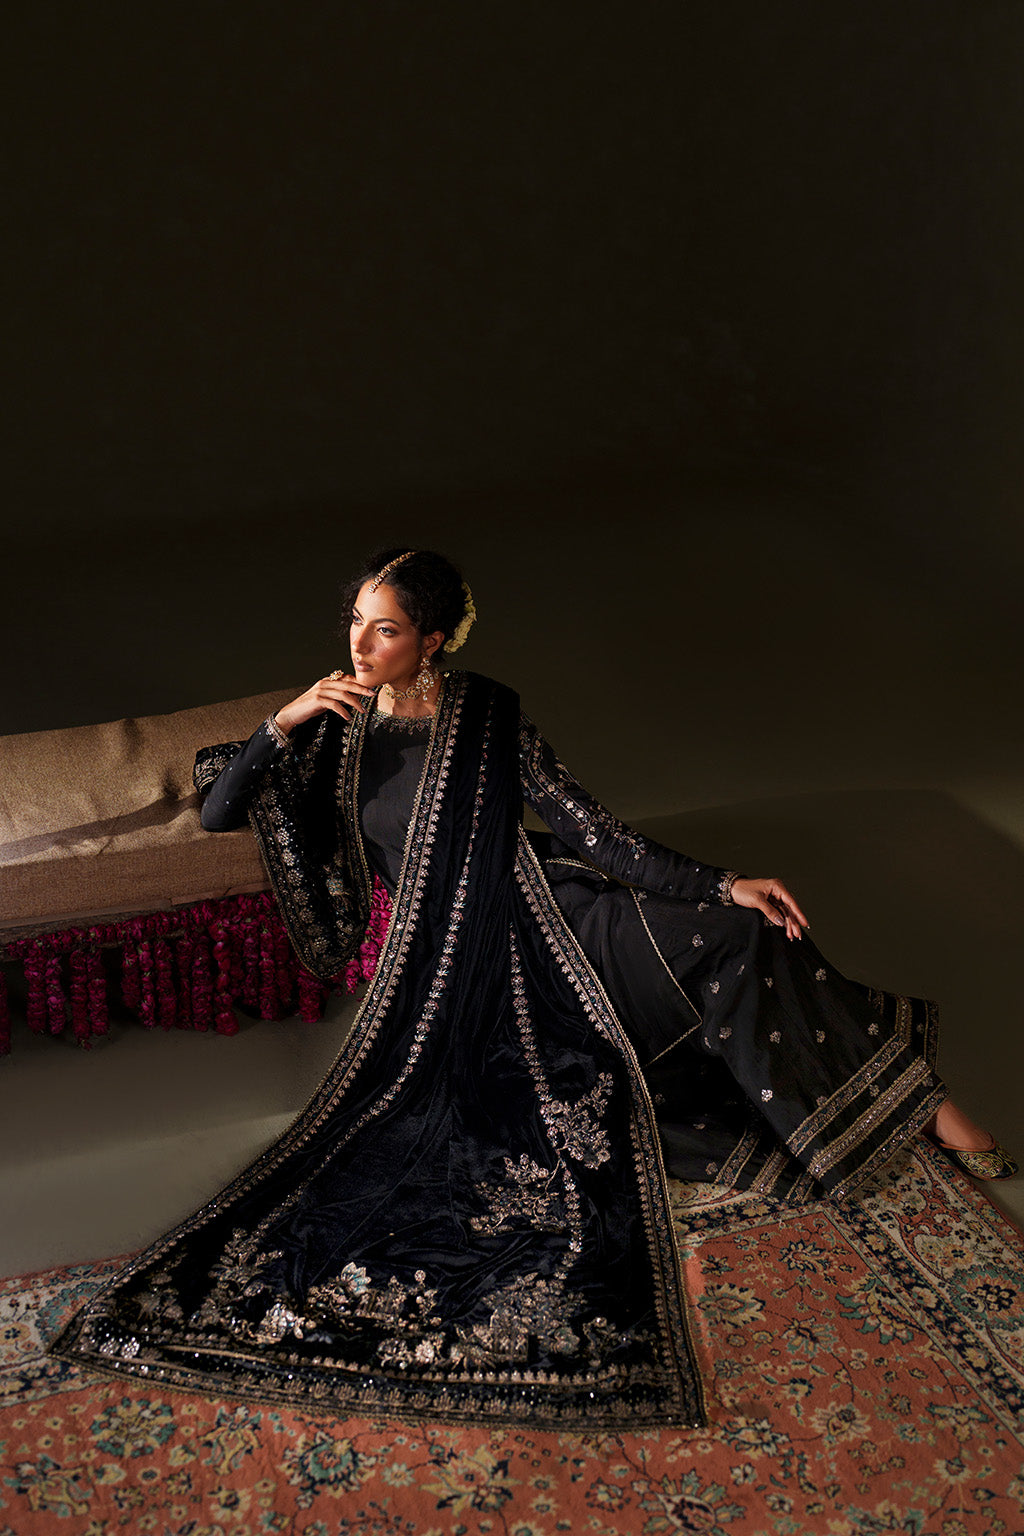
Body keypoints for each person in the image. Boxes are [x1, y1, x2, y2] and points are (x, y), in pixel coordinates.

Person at [51, 548, 1015, 1432]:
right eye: (355, 623)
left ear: (433, 640)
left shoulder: (487, 715)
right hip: (452, 965)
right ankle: (913, 1097)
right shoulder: (334, 728)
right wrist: (284, 721)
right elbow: (221, 811)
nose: (360, 646)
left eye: (385, 630)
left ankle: (917, 1099)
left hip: (552, 910)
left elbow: (594, 833)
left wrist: (724, 882)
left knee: (745, 932)